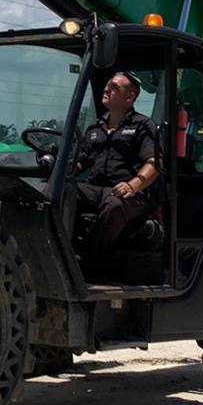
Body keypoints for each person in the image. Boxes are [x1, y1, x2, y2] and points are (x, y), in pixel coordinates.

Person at [73, 71, 162, 278]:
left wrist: (132, 185)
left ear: (129, 97)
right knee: (65, 192)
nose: (106, 89)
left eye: (114, 87)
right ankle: (64, 251)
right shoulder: (95, 127)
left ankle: (89, 263)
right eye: (106, 85)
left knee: (114, 205)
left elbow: (154, 163)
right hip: (96, 188)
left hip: (134, 193)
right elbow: (82, 160)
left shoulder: (143, 126)